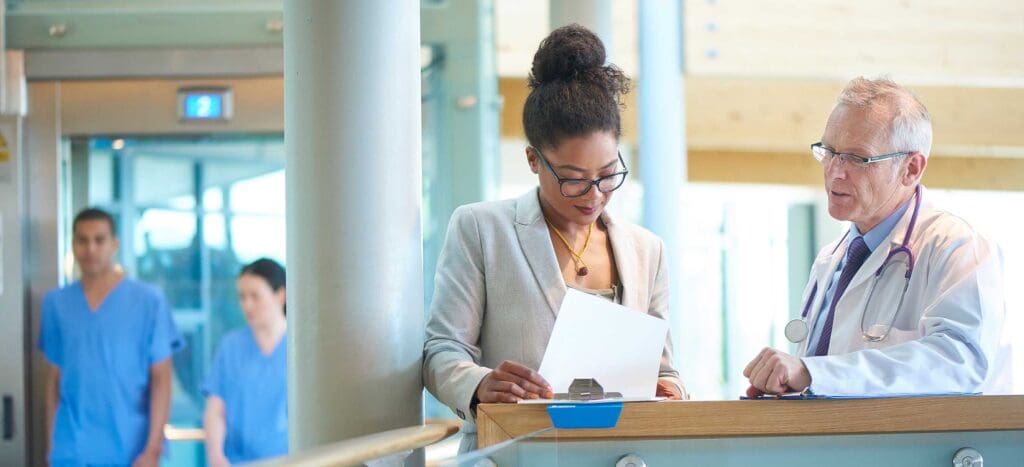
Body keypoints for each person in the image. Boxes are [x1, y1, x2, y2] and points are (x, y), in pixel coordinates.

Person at [423, 24, 686, 449]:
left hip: (617, 455)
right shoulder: (482, 230)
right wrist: (480, 384)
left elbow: (664, 370)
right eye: (573, 180)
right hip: (513, 452)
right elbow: (441, 351)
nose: (595, 194)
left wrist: (671, 391)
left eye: (607, 175)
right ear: (533, 159)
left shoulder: (646, 250)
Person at [743, 77, 1010, 397]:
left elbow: (960, 361)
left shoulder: (957, 247)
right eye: (829, 152)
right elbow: (823, 381)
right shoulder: (832, 259)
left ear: (911, 168)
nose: (835, 172)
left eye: (857, 158)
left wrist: (813, 372)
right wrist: (784, 384)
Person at [39, 208, 184, 466]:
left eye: (99, 239)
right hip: (71, 448)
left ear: (114, 244)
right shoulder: (56, 304)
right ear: (73, 245)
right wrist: (52, 447)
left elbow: (162, 379)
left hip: (130, 448)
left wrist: (152, 450)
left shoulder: (149, 301)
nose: (90, 249)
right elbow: (54, 381)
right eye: (82, 240)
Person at [203, 258, 288, 465]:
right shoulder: (231, 347)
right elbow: (216, 409)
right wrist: (216, 455)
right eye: (242, 297)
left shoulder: (301, 349)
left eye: (255, 296)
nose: (246, 305)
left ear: (280, 295)